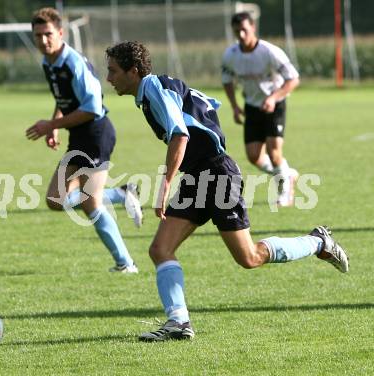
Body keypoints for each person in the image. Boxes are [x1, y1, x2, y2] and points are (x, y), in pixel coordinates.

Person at [105, 41, 349, 341]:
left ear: (134, 71)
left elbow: (180, 134)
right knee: (159, 249)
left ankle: (317, 242)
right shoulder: (154, 91)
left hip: (217, 173)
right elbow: (206, 105)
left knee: (249, 257)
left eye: (113, 71)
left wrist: (165, 182)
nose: (109, 78)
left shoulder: (154, 87)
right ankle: (178, 323)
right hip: (198, 176)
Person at [26, 7, 140, 273]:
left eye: (48, 34)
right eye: (38, 36)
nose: (43, 40)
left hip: (96, 133)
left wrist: (51, 124)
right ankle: (121, 194)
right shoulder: (48, 62)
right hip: (78, 135)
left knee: (90, 202)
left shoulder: (73, 63)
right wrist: (55, 123)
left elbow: (92, 109)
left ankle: (125, 263)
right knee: (55, 200)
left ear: (61, 33)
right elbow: (62, 97)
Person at [221, 12, 299, 206]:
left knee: (274, 154)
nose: (241, 35)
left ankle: (285, 190)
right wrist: (235, 107)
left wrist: (274, 97)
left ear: (253, 28)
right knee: (254, 156)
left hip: (275, 105)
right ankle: (286, 174)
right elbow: (227, 81)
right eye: (237, 31)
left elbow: (293, 78)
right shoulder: (231, 55)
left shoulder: (269, 52)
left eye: (244, 30)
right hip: (252, 107)